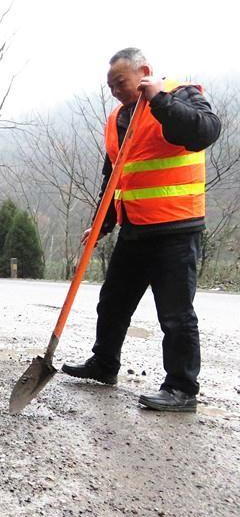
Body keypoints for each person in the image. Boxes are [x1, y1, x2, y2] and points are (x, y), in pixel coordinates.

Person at [62, 48, 221, 412]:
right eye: (111, 86)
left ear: (144, 72)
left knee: (176, 315)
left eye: (121, 83)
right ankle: (104, 365)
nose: (116, 91)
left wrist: (159, 100)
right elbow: (115, 177)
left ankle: (181, 389)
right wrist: (101, 226)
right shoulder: (118, 118)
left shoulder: (181, 96)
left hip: (176, 228)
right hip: (135, 228)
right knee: (113, 302)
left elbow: (204, 132)